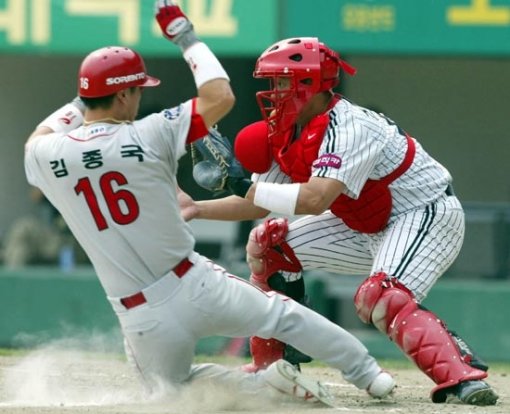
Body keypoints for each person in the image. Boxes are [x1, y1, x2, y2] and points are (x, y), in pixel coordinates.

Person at [23, 2, 396, 405]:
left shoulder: (45, 153)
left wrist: (85, 97)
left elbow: (38, 135)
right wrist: (185, 36)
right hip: (192, 281)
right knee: (282, 316)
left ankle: (266, 386)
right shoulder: (149, 133)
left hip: (139, 312)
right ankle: (369, 374)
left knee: (172, 394)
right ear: (126, 94)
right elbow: (219, 94)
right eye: (136, 90)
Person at [178, 37, 499, 406]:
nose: (274, 92)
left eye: (283, 83)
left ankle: (461, 377)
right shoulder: (289, 131)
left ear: (311, 85)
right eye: (273, 83)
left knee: (380, 297)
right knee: (269, 244)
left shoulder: (350, 125)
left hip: (424, 215)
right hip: (363, 223)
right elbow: (257, 203)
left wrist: (241, 182)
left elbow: (315, 199)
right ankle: (274, 366)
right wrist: (196, 208)